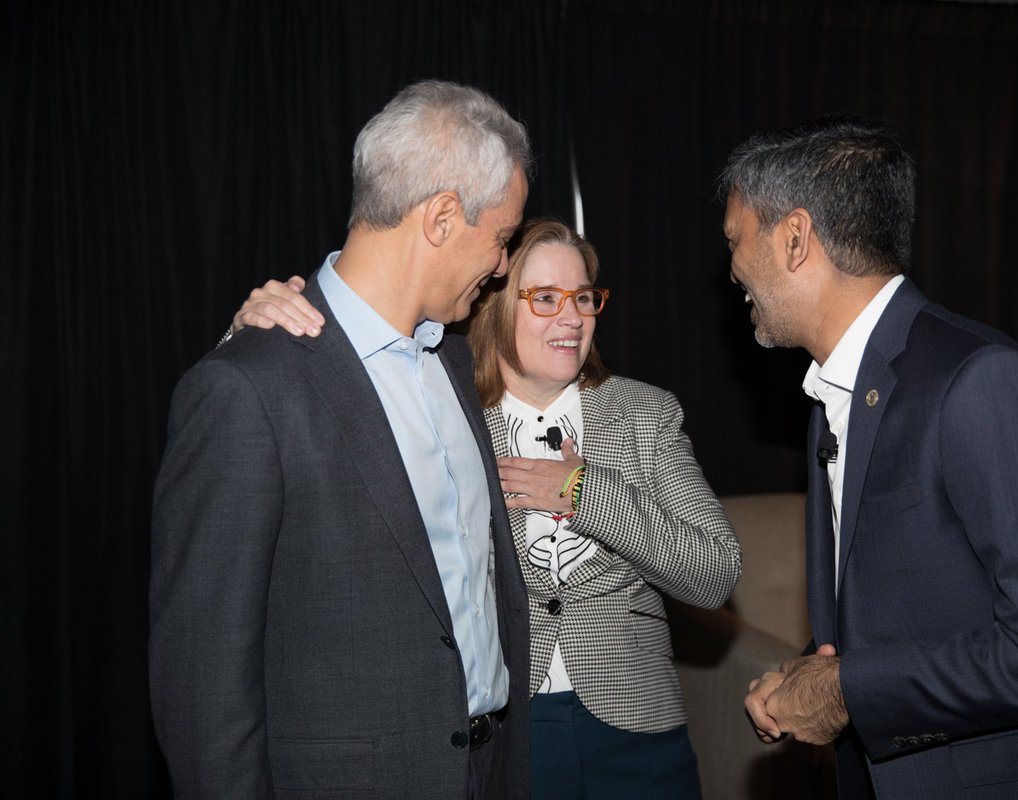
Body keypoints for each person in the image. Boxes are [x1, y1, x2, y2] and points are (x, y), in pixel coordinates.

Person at [726, 116, 1018, 798]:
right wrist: (821, 681)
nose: (733, 270)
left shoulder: (983, 384)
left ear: (794, 238)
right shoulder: (833, 395)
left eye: (737, 241)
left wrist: (850, 690)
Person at [232, 217, 742, 799]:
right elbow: (313, 416)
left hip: (636, 728)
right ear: (495, 305)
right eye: (545, 298)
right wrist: (248, 332)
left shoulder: (644, 415)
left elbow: (716, 573)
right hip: (504, 732)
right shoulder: (445, 409)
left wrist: (586, 495)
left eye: (583, 298)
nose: (572, 317)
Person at [150, 80, 532, 799]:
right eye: (504, 238)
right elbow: (202, 689)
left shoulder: (451, 358)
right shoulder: (245, 389)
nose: (504, 266)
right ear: (443, 217)